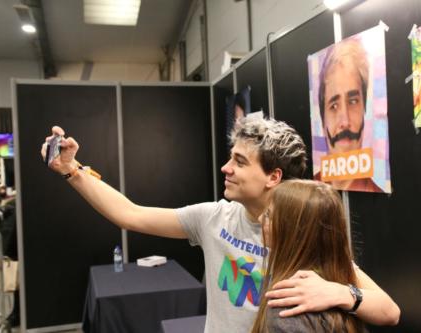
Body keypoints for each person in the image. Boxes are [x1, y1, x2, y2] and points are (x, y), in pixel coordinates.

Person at [42, 117, 399, 332]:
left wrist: (341, 293)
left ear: (273, 176)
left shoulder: (300, 233)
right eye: (230, 157)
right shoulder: (214, 217)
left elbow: (389, 311)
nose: (226, 168)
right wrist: (72, 171)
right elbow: (129, 214)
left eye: (239, 162)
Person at [252, 180, 369, 332]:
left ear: (293, 231)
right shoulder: (340, 276)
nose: (260, 219)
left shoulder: (286, 305)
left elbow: (390, 312)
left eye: (268, 215)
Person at [317, 38, 381, 192]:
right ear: (322, 118)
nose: (344, 121)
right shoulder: (310, 193)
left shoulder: (375, 193)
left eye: (353, 101)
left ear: (364, 109)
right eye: (333, 105)